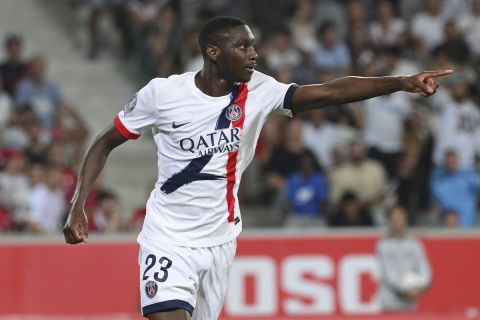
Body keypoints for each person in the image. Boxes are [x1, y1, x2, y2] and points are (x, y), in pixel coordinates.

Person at [63, 16, 451, 320]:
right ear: (214, 52)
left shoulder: (260, 90)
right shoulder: (162, 94)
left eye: (254, 46)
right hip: (167, 237)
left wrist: (400, 82)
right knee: (166, 314)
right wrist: (79, 202)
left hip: (220, 240)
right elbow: (105, 141)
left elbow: (331, 91)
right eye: (243, 46)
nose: (254, 54)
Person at [376, 206, 431, 311]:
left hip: (409, 301)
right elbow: (387, 273)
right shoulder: (383, 245)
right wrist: (406, 290)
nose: (398, 220)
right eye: (395, 217)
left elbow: (423, 266)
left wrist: (421, 286)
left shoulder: (414, 243)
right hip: (390, 302)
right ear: (389, 220)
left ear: (406, 219)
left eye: (400, 216)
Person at [431, 150, 480, 227]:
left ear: (458, 161)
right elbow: (434, 206)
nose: (451, 163)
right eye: (448, 161)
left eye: (453, 160)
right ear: (444, 162)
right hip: (448, 226)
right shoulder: (438, 184)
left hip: (469, 225)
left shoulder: (469, 177)